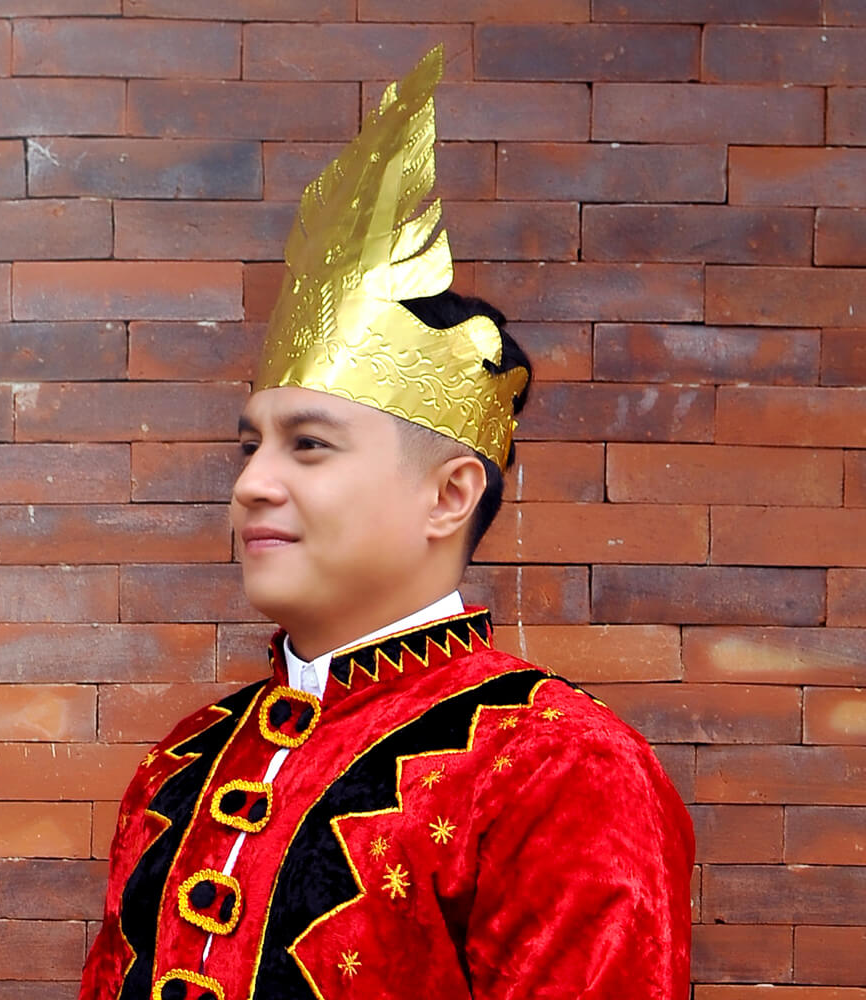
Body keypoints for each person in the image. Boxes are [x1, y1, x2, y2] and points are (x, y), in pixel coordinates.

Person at [79, 46, 694, 1000]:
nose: (253, 485)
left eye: (309, 446)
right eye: (251, 447)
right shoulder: (184, 760)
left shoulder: (555, 767)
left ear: (448, 495)